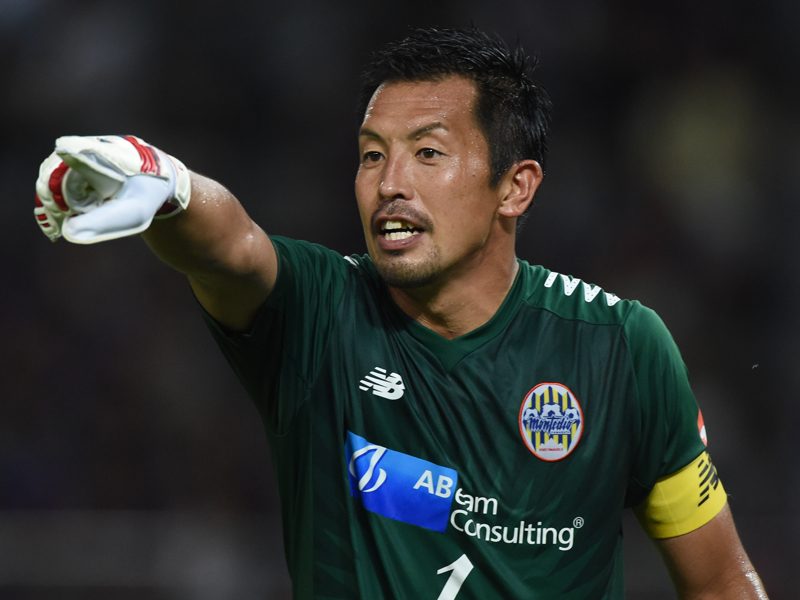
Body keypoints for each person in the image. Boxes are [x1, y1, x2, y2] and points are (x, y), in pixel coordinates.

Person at [34, 27, 767, 600]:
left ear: (515, 187)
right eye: (371, 155)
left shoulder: (620, 347)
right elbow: (233, 248)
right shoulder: (318, 314)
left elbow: (719, 581)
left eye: (427, 153)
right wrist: (169, 187)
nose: (390, 183)